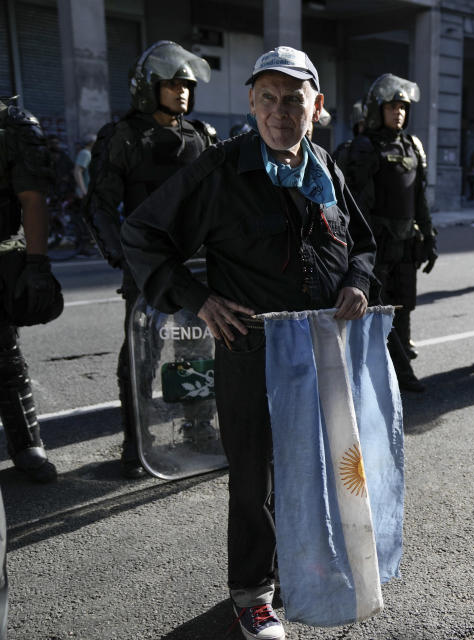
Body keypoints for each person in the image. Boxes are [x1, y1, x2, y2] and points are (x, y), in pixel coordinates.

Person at [121, 46, 375, 640]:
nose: (280, 111)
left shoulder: (326, 170)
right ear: (252, 104)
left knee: (311, 470)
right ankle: (253, 595)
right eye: (268, 98)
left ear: (317, 105)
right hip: (252, 354)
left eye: (293, 99)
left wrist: (360, 281)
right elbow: (143, 233)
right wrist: (198, 298)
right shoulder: (221, 169)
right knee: (253, 480)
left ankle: (300, 568)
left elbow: (362, 242)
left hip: (319, 357)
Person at [84, 41, 217, 479]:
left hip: (194, 266)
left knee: (195, 351)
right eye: (172, 84)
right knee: (141, 356)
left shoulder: (201, 136)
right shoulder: (123, 136)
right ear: (148, 87)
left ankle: (198, 429)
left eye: (186, 85)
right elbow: (100, 205)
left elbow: (219, 202)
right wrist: (124, 258)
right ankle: (136, 441)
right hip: (147, 266)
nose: (181, 92)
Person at [344, 73, 435, 391]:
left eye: (403, 107)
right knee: (378, 310)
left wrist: (429, 234)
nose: (399, 112)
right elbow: (357, 203)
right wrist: (364, 245)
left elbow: (419, 197)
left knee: (404, 305)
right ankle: (393, 372)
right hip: (378, 244)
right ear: (377, 109)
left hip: (406, 242)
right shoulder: (364, 147)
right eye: (393, 106)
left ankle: (401, 365)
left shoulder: (413, 146)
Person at [0, 96, 60, 483]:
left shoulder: (11, 126)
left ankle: (25, 443)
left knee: (5, 357)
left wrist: (37, 264)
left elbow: (32, 199)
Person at [73, 134, 96, 199]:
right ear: (91, 143)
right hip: (86, 193)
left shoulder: (90, 154)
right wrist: (84, 191)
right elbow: (77, 172)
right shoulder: (85, 153)